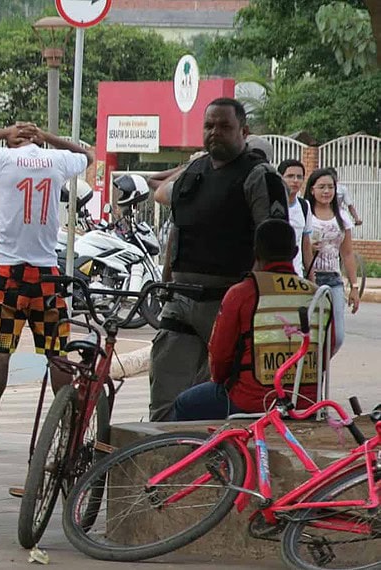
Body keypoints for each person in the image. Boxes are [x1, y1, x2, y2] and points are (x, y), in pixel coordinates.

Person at [0, 122, 93, 458]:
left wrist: (2, 133)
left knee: (0, 354)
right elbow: (86, 154)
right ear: (38, 142)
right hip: (46, 275)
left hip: (8, 275)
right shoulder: (56, 161)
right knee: (57, 355)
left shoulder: (2, 159)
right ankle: (71, 435)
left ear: (13, 142)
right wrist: (48, 138)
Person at [146, 100, 289, 422]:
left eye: (224, 127)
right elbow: (177, 230)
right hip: (181, 298)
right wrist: (166, 280)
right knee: (165, 387)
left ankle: (214, 462)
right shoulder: (192, 173)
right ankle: (163, 457)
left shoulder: (259, 176)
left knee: (214, 397)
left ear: (244, 131)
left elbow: (272, 243)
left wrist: (249, 296)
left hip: (229, 302)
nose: (215, 133)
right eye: (209, 126)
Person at [170, 219, 329, 421]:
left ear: (256, 252)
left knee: (185, 403)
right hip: (307, 403)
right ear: (296, 252)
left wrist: (222, 382)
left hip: (251, 402)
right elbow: (326, 350)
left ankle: (202, 452)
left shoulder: (242, 293)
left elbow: (219, 359)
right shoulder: (317, 296)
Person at [306, 168, 360, 353]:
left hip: (333, 279)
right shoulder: (305, 212)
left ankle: (320, 368)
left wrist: (354, 287)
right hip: (308, 279)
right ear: (312, 189)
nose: (326, 191)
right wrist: (309, 248)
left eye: (330, 187)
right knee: (309, 334)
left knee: (337, 337)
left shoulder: (342, 217)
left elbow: (347, 253)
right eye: (321, 187)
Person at [278, 159, 314, 277]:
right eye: (290, 176)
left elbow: (306, 246)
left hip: (296, 275)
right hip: (272, 276)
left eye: (299, 177)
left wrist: (311, 278)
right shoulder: (270, 206)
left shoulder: (304, 206)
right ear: (280, 178)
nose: (295, 181)